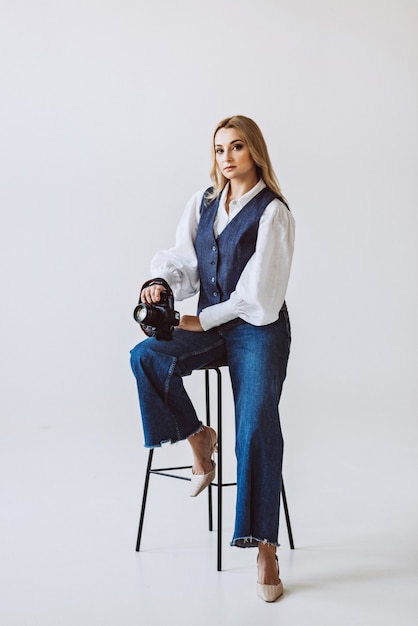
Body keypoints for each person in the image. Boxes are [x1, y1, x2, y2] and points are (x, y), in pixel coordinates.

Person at [130, 115, 295, 602]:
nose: (227, 158)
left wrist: (201, 320)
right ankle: (198, 435)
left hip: (257, 330)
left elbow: (260, 295)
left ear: (255, 152)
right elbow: (185, 262)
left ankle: (265, 545)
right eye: (220, 149)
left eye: (237, 147)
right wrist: (160, 284)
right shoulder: (203, 203)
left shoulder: (273, 211)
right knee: (147, 356)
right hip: (210, 325)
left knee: (256, 422)